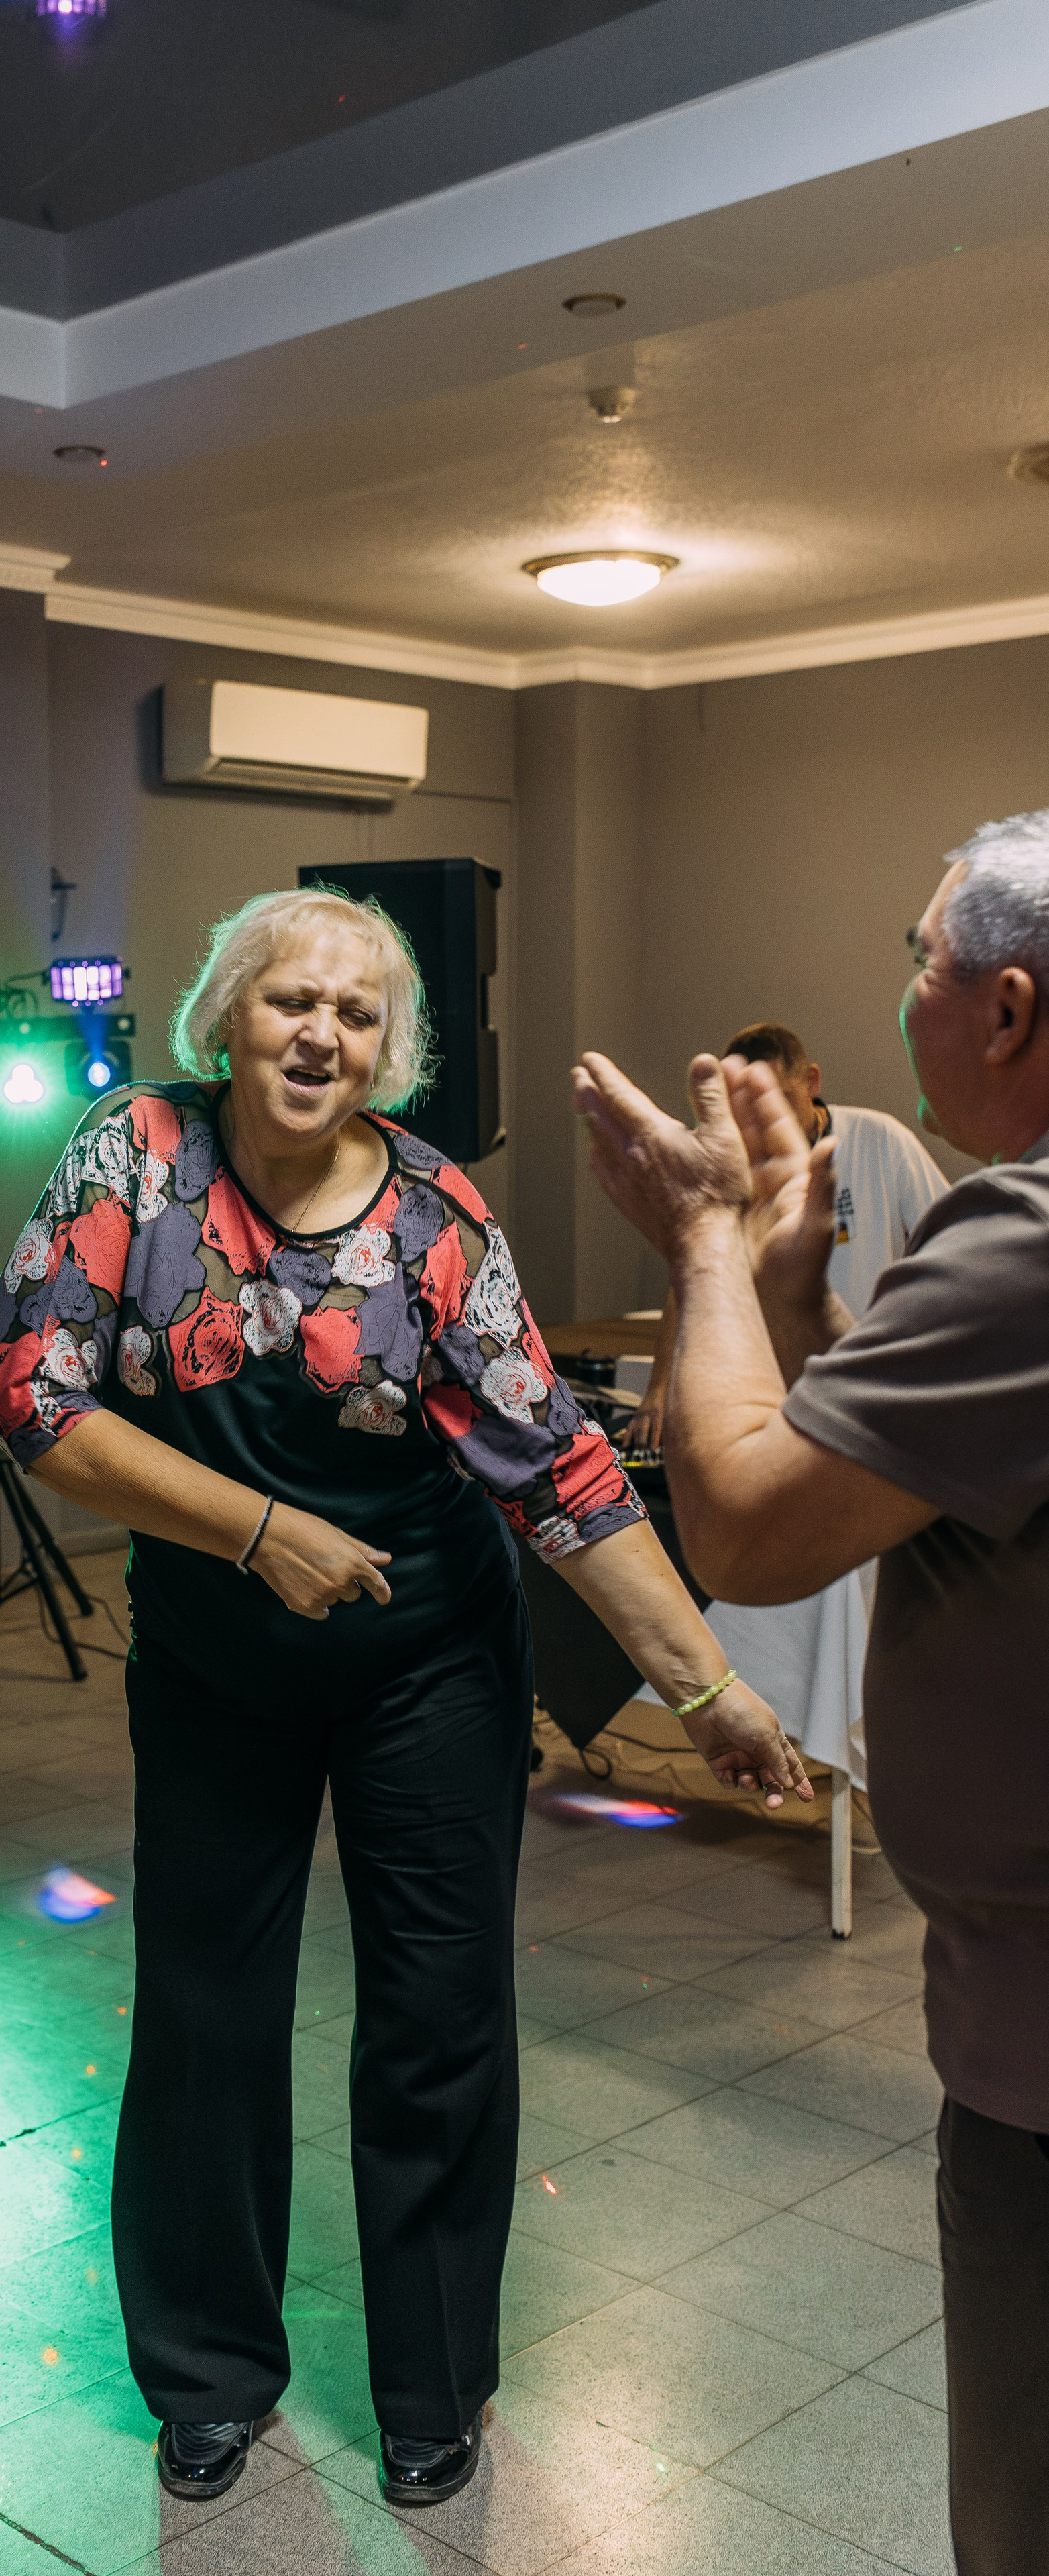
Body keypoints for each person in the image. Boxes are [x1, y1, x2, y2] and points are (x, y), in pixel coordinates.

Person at [0, 885, 807, 2512]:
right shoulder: (130, 1156)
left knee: (436, 2019)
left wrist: (703, 1684)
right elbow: (29, 1395)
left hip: (426, 1658)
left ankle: (432, 2388)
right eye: (290, 1000)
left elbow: (556, 1466)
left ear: (387, 1049)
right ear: (225, 1015)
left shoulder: (435, 1213)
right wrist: (259, 1529)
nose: (319, 1035)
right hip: (215, 1657)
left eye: (355, 1014)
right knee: (206, 2014)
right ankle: (206, 2375)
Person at [572, 809, 1049, 2576]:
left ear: (1005, 1007)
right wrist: (787, 1298)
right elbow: (909, 1459)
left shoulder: (1024, 1238)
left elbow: (752, 1530)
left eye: (920, 963)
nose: (906, 997)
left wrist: (703, 1245)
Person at [631, 1023, 946, 1791]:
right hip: (786, 1404)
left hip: (873, 1406)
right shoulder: (736, 1163)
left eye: (771, 1098)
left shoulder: (880, 1142)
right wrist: (661, 1386)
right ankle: (816, 1747)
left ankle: (875, 1762)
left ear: (810, 1082)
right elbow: (690, 1275)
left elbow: (938, 1243)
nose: (756, 1120)